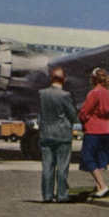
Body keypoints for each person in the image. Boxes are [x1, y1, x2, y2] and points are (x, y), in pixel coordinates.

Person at [38, 67, 79, 203]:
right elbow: (73, 116)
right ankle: (62, 195)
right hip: (62, 135)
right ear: (64, 80)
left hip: (46, 134)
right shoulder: (65, 96)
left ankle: (47, 195)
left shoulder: (42, 93)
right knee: (62, 166)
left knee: (47, 166)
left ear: (51, 79)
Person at [78, 68, 109, 198]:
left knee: (87, 157)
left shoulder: (94, 93)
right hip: (106, 129)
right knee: (101, 159)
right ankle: (98, 186)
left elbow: (85, 112)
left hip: (93, 129)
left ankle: (102, 185)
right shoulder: (108, 93)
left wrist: (82, 120)